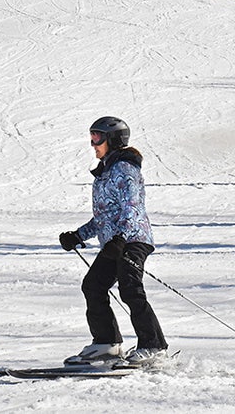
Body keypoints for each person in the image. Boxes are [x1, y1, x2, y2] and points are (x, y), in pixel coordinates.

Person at [59, 116, 168, 367]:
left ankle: (154, 345)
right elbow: (104, 218)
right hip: (114, 242)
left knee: (130, 288)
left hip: (133, 239)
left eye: (97, 137)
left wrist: (121, 237)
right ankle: (106, 343)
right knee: (93, 285)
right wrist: (77, 235)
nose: (93, 143)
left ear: (113, 140)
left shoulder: (124, 169)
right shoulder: (106, 172)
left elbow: (132, 207)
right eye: (91, 137)